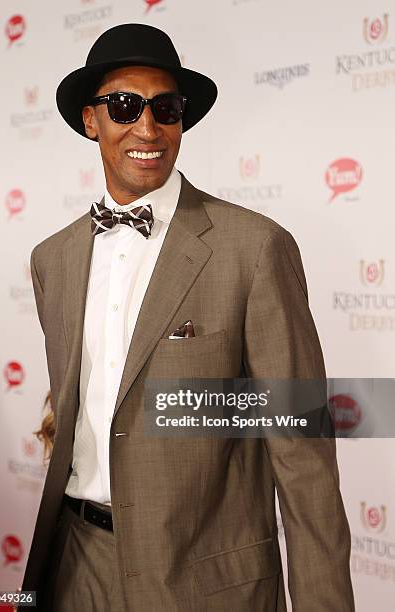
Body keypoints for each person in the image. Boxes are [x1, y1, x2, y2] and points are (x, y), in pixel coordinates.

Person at [19, 23, 355, 612]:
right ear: (90, 120)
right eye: (125, 106)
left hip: (202, 581)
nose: (147, 129)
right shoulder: (53, 259)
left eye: (166, 109)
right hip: (74, 566)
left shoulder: (254, 248)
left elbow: (303, 456)